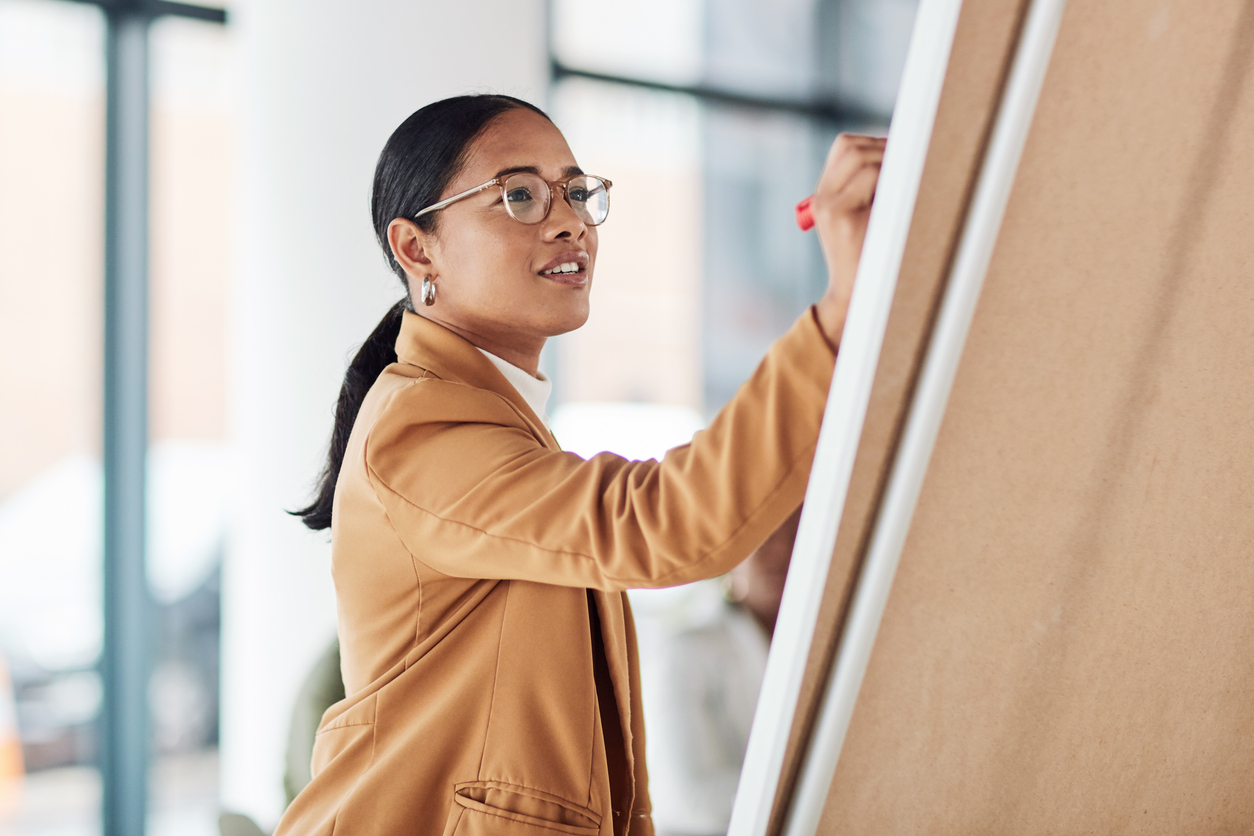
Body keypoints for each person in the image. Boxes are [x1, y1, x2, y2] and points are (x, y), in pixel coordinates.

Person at [276, 94, 883, 836]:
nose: (568, 221)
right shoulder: (422, 427)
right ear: (417, 248)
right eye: (520, 195)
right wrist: (841, 314)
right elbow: (660, 524)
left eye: (577, 192)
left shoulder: (495, 420)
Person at [635, 509, 801, 836]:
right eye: (764, 538)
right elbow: (689, 797)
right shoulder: (685, 651)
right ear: (731, 553)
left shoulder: (832, 646)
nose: (781, 552)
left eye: (796, 534)